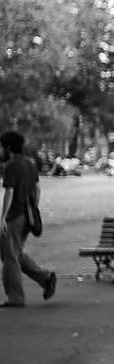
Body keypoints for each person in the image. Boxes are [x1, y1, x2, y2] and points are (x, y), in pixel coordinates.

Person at [0, 131, 57, 307]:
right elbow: (37, 189)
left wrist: (2, 218)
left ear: (8, 147)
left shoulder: (12, 166)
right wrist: (33, 208)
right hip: (27, 215)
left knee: (10, 256)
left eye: (1, 147)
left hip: (15, 215)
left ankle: (15, 297)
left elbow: (9, 192)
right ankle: (45, 278)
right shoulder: (30, 164)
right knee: (13, 252)